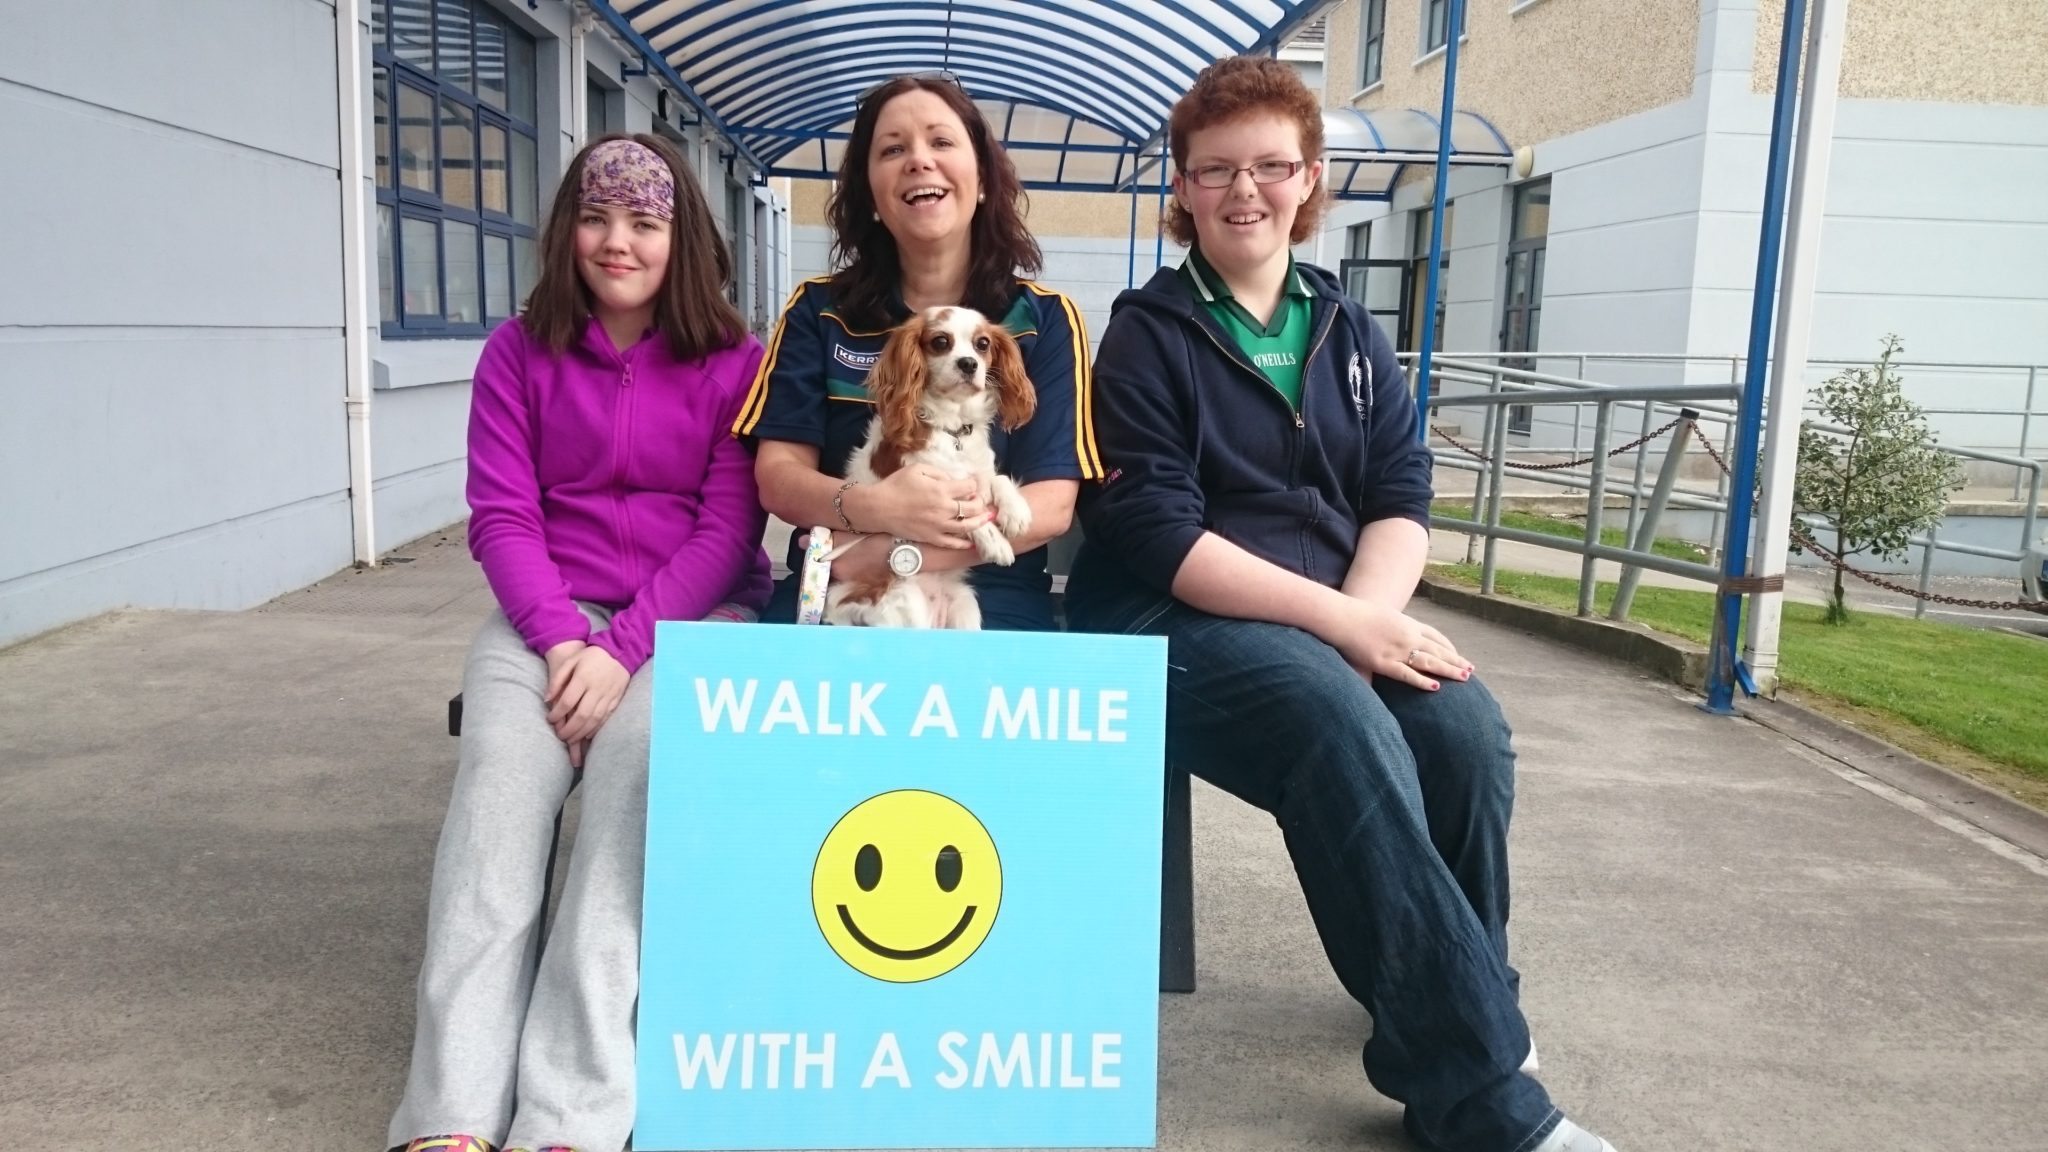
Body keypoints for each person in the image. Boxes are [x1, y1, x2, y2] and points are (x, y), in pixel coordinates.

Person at [1066, 57, 1619, 1152]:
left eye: (1270, 167)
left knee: (1461, 727)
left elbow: (1398, 495)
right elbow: (1160, 536)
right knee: (1333, 716)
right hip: (1162, 620)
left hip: (1324, 618)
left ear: (1308, 178)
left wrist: (1370, 620)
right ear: (1180, 187)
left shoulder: (1347, 330)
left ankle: (1463, 1002)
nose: (1243, 191)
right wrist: (1343, 631)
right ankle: (1475, 1093)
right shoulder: (1144, 335)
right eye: (1214, 169)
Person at [389, 133, 771, 1152]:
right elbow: (501, 518)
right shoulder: (516, 354)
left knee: (631, 796)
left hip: (687, 626)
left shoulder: (737, 363)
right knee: (498, 799)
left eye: (644, 223)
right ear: (567, 232)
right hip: (541, 625)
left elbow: (727, 531)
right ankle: (452, 1111)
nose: (617, 242)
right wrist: (564, 642)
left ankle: (569, 1113)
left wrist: (623, 649)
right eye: (596, 219)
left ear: (679, 238)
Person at [735, 74, 1100, 629]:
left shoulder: (1044, 319)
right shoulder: (816, 311)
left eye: (942, 142)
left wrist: (898, 554)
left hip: (984, 589)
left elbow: (1050, 508)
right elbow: (779, 477)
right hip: (837, 585)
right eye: (893, 149)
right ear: (871, 193)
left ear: (982, 179)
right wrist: (875, 509)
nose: (918, 161)